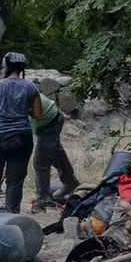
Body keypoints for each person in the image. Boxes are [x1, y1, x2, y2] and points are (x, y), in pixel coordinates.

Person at [0, 53, 41, 213]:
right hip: (22, 138)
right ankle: (11, 216)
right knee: (15, 181)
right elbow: (38, 114)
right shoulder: (31, 88)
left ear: (6, 68)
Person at [28, 75, 78, 211]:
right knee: (55, 152)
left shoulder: (27, 102)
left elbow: (26, 135)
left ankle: (42, 200)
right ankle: (70, 181)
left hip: (51, 123)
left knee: (40, 161)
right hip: (46, 121)